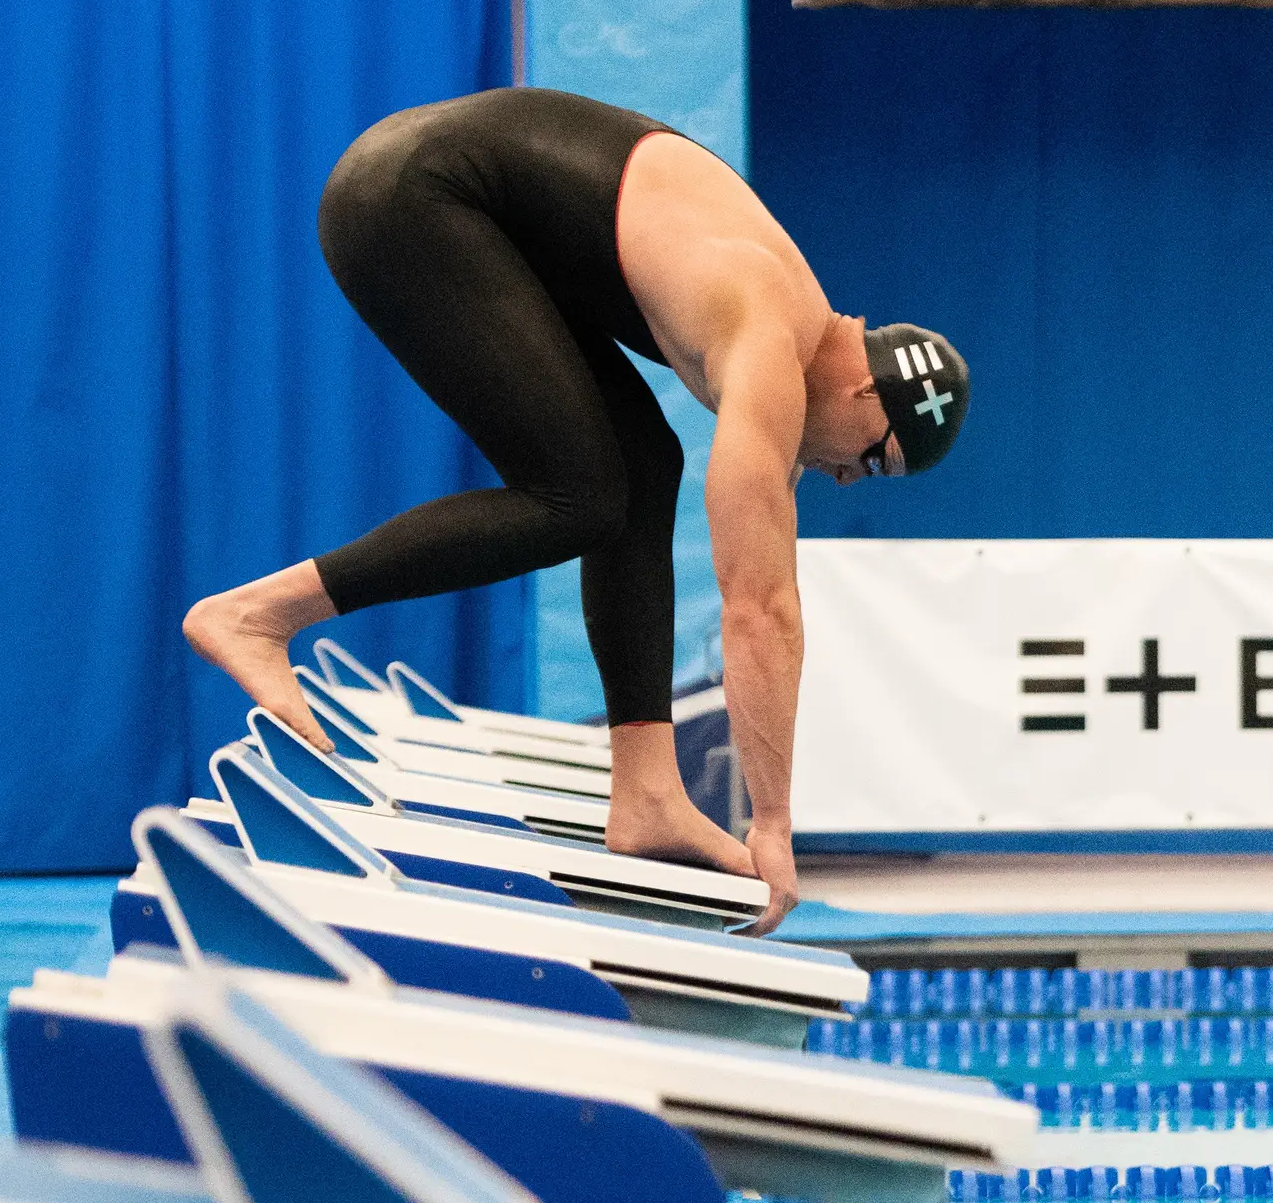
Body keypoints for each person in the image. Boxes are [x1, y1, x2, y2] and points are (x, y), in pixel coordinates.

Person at [184, 87, 969, 933]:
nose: (850, 479)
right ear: (866, 391)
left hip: (458, 197)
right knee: (581, 494)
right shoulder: (772, 342)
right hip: (416, 194)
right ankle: (258, 614)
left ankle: (647, 793)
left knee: (639, 466)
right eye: (876, 461)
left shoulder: (789, 327)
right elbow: (759, 609)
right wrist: (773, 824)